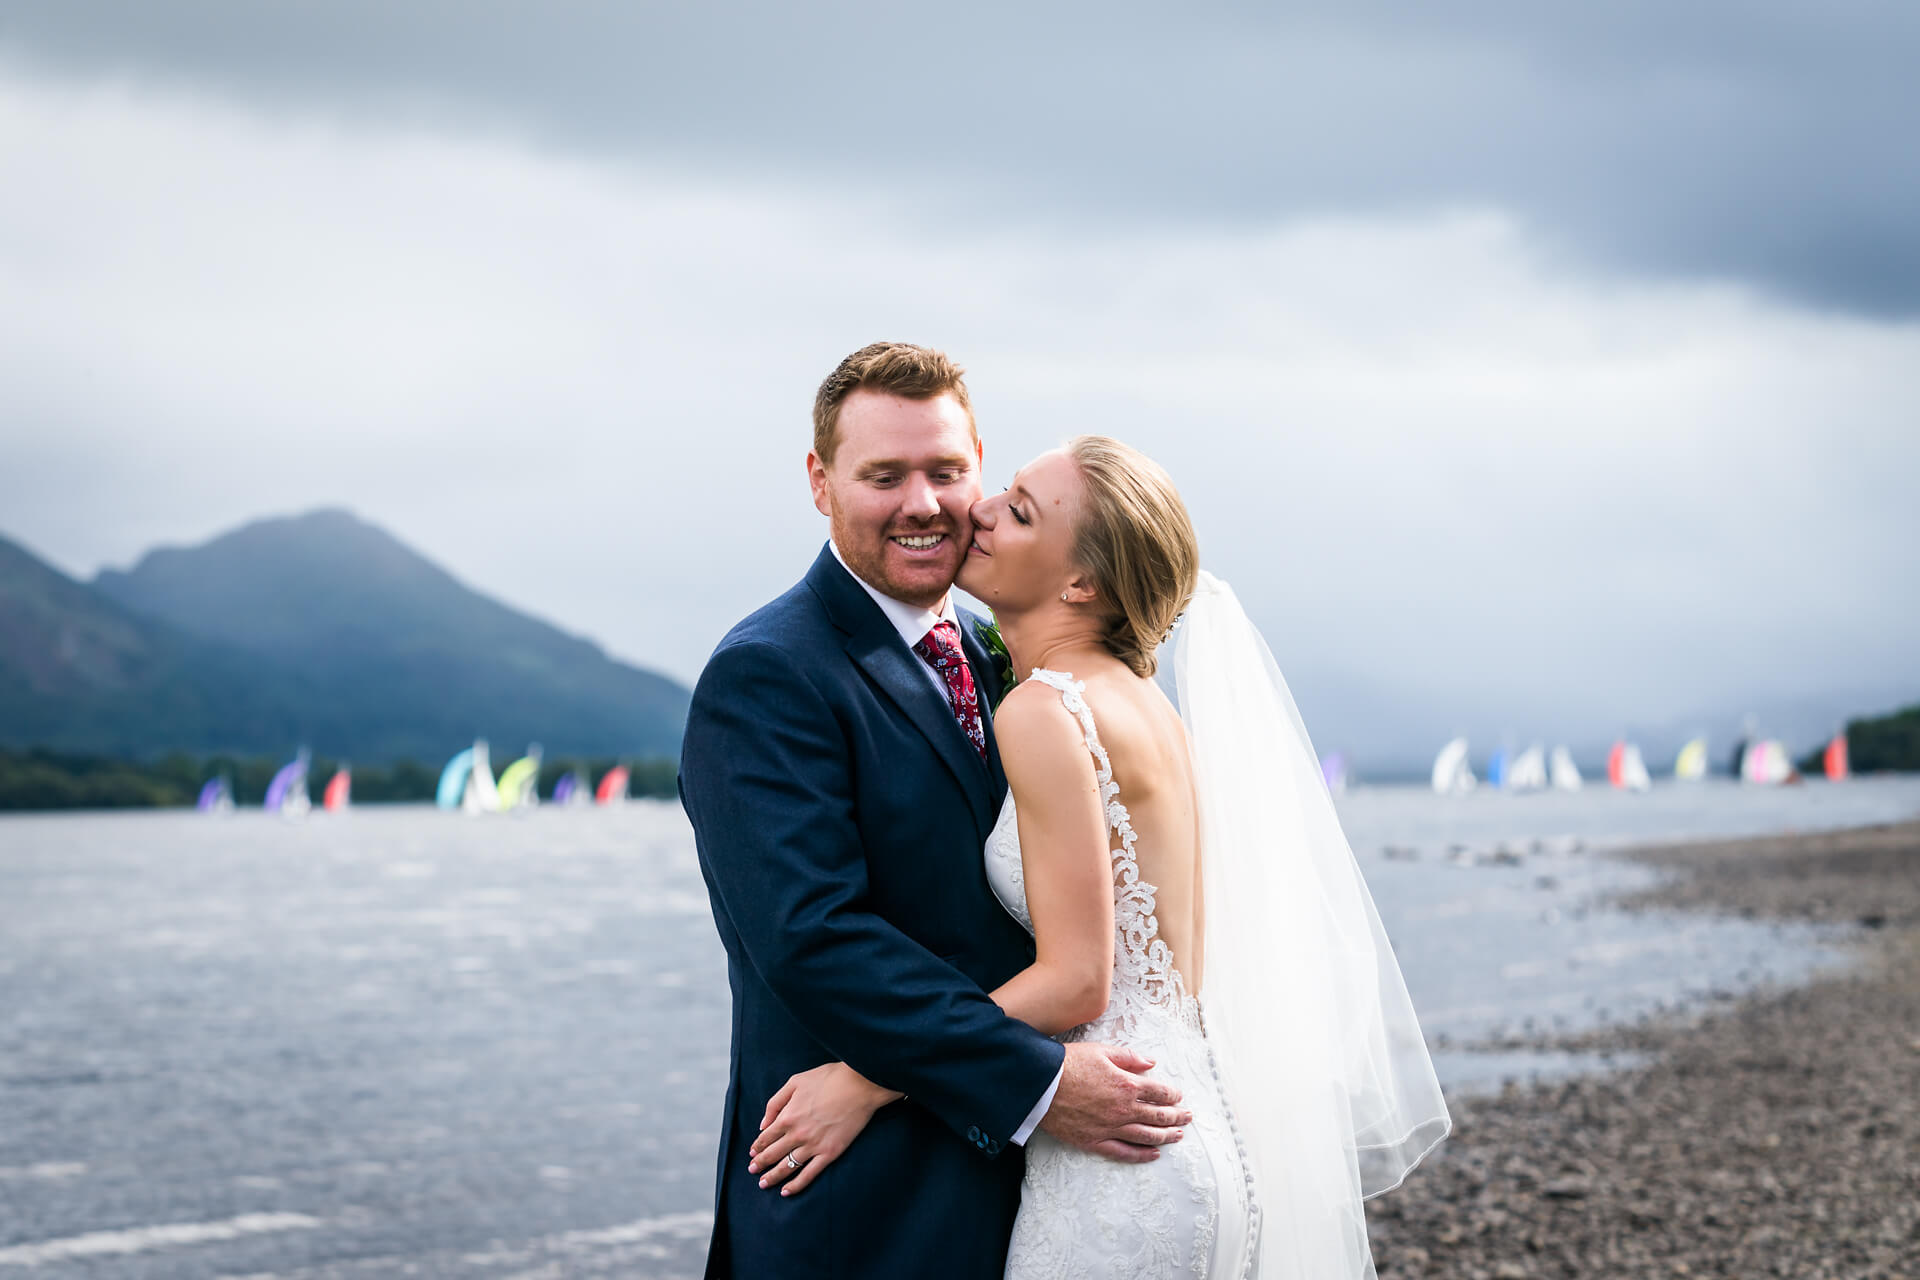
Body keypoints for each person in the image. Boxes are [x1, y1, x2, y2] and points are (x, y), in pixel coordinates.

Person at [751, 435, 1451, 1277]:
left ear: (1081, 583)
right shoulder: (1150, 706)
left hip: (1117, 1147)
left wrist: (870, 1078)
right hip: (1207, 1127)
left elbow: (1077, 979)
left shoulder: (1045, 711)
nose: (978, 511)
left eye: (1016, 511)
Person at [678, 345, 1194, 1280]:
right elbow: (815, 939)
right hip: (864, 1206)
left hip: (1044, 1181)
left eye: (947, 471)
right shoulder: (767, 674)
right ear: (820, 482)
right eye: (884, 476)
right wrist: (1036, 1084)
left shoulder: (1017, 657)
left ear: (979, 467)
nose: (923, 503)